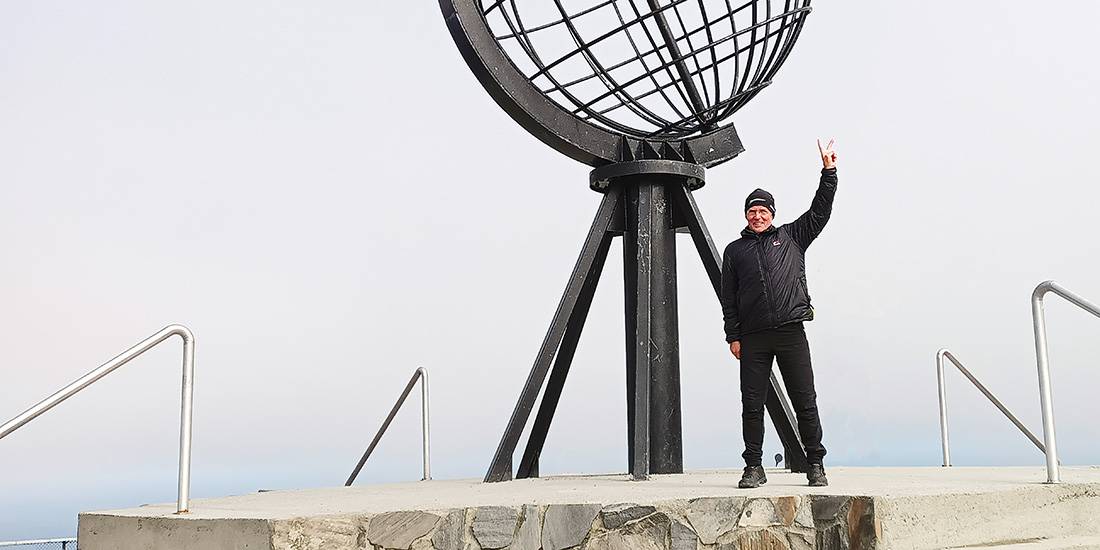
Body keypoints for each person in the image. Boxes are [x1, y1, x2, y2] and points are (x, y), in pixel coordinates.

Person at [721, 139, 838, 488]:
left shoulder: (792, 237)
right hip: (753, 338)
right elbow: (729, 297)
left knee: (805, 399)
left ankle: (815, 463)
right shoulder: (734, 250)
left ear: (772, 213)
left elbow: (820, 211)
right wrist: (733, 335)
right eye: (752, 211)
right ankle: (753, 467)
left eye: (763, 211)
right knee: (752, 405)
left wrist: (828, 172)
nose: (758, 216)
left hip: (790, 332)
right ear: (746, 215)